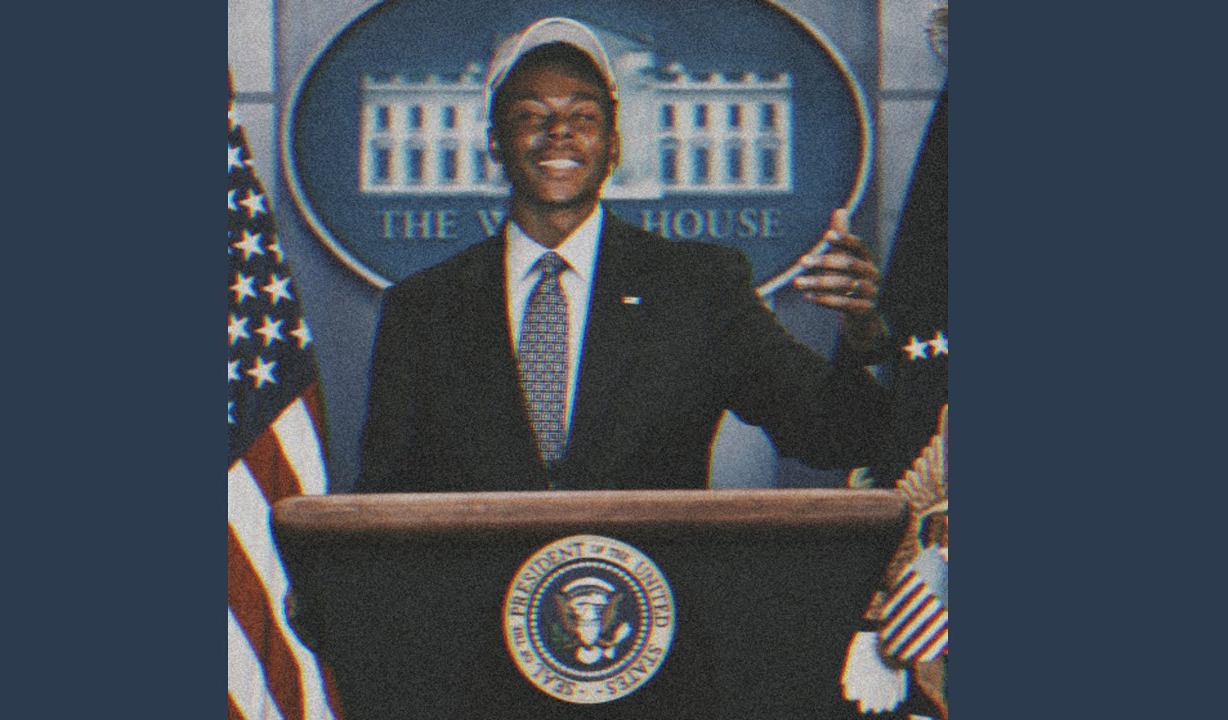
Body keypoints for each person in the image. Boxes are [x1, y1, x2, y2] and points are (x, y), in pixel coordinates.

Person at [357, 17, 890, 493]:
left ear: (613, 146)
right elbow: (383, 501)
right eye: (530, 115)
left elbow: (840, 436)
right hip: (482, 578)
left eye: (583, 116)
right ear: (495, 143)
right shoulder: (422, 308)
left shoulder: (697, 288)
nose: (559, 131)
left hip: (649, 574)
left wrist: (862, 330)